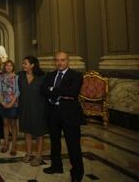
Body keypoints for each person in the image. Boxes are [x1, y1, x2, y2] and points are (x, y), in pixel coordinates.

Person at [42, 52, 85, 182]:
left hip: (69, 114)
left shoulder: (76, 75)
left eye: (62, 60)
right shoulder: (50, 75)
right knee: (54, 142)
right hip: (53, 113)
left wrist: (52, 89)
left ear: (68, 61)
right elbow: (42, 90)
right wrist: (60, 92)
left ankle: (77, 174)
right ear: (54, 62)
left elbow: (72, 92)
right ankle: (56, 166)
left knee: (73, 146)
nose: (60, 63)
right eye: (57, 60)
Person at [18, 56, 47, 166]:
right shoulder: (20, 76)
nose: (23, 65)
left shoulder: (42, 77)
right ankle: (29, 153)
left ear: (32, 65)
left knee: (39, 133)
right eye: (23, 63)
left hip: (39, 108)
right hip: (24, 107)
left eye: (25, 63)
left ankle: (39, 155)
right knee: (27, 131)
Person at [0, 60, 19, 156]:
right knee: (5, 124)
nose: (9, 67)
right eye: (7, 65)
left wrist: (11, 103)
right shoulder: (1, 77)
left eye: (11, 66)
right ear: (4, 67)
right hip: (3, 103)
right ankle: (6, 144)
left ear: (13, 67)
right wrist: (2, 102)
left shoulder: (16, 77)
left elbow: (18, 92)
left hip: (13, 104)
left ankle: (14, 145)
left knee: (13, 125)